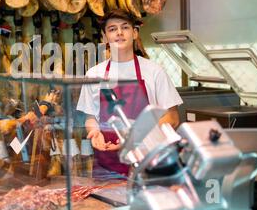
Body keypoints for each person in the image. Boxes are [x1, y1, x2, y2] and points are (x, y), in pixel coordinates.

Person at [76, 9, 183, 178]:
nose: (119, 33)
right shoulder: (93, 74)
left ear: (134, 33)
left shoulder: (154, 71)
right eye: (112, 29)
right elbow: (91, 117)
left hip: (148, 163)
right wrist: (95, 133)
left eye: (125, 27)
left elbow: (173, 118)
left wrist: (135, 139)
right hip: (107, 166)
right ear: (104, 38)